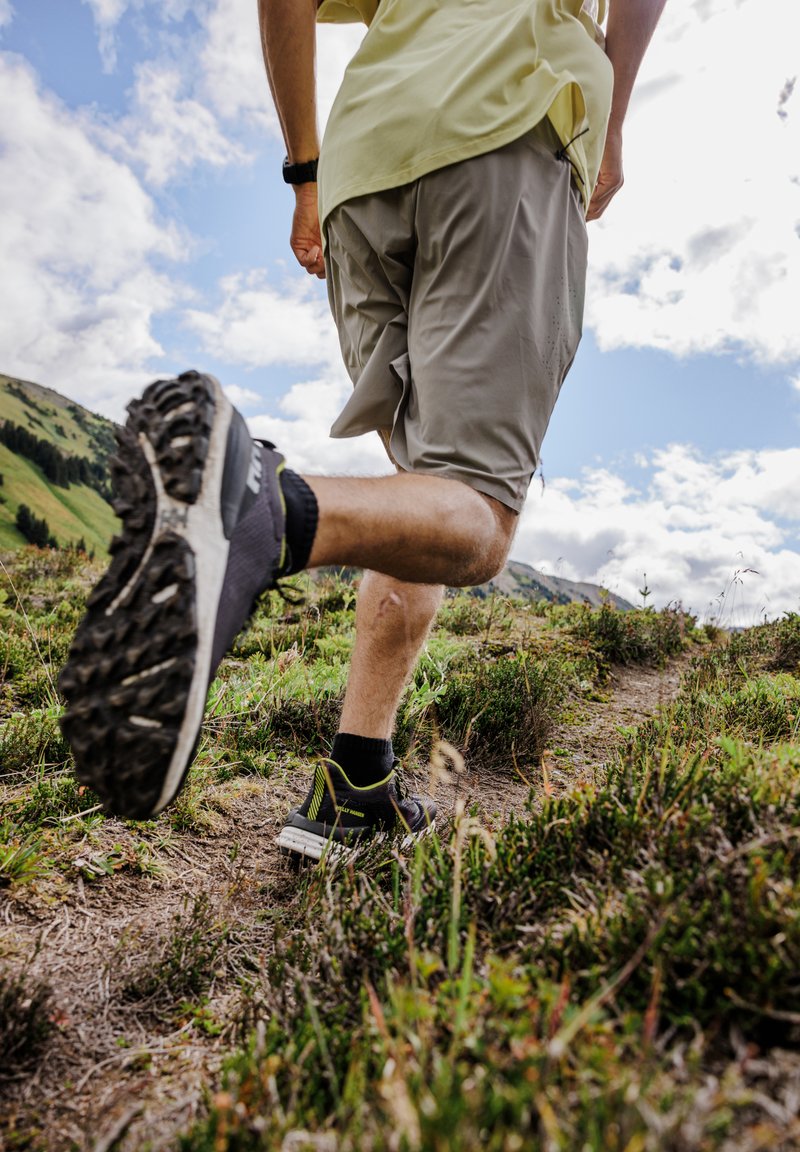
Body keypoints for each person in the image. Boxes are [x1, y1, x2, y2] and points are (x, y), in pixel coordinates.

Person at [59, 0, 667, 861]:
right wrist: (611, 125)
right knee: (480, 518)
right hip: (506, 126)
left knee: (423, 484)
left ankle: (357, 779)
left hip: (364, 176)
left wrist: (305, 175)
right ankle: (258, 510)